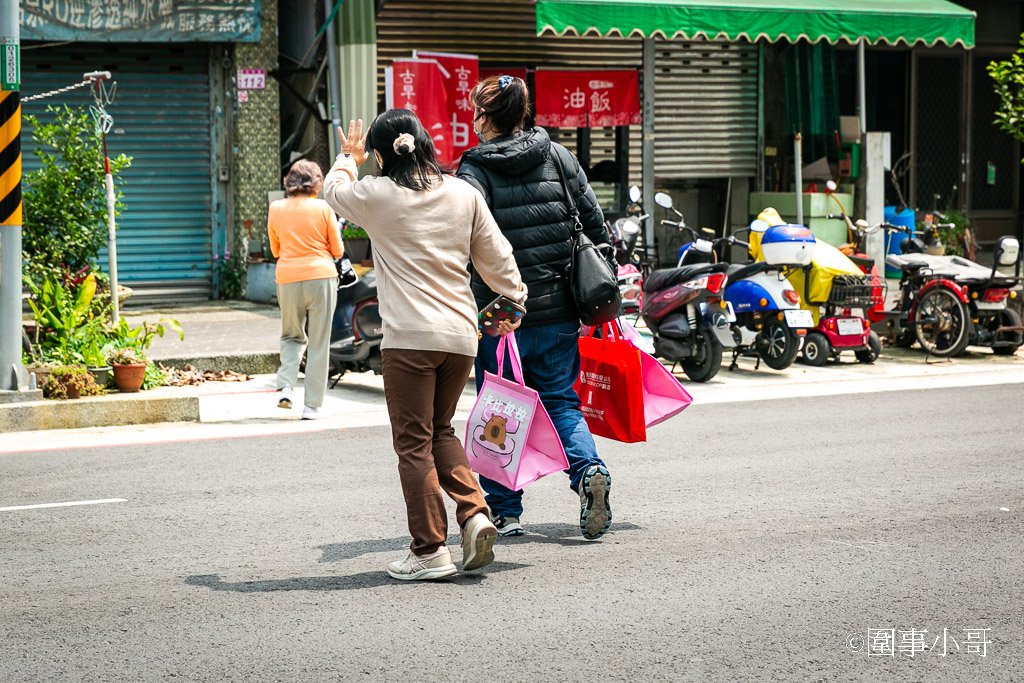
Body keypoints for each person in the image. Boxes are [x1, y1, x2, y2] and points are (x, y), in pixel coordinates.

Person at [323, 111, 527, 581]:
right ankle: (475, 514)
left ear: (380, 155)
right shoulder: (462, 193)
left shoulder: (376, 195)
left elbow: (333, 192)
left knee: (414, 443)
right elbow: (498, 258)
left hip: (409, 342)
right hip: (460, 338)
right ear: (426, 144)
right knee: (441, 432)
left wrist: (347, 158)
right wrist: (514, 299)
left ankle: (430, 550)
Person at [457, 74, 613, 540]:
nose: (474, 120)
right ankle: (588, 472)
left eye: (477, 112)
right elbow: (595, 227)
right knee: (562, 401)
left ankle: (505, 512)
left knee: (499, 409)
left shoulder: (472, 172)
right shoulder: (559, 156)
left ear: (488, 117)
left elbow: (463, 241)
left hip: (502, 314)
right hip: (561, 308)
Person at [268, 159, 344, 421]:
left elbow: (275, 250)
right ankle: (311, 406)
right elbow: (338, 250)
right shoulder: (323, 208)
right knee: (319, 342)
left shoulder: (275, 208)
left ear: (290, 182)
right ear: (316, 183)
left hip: (287, 278)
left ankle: (286, 387)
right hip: (321, 277)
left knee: (291, 336)